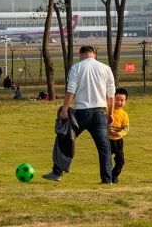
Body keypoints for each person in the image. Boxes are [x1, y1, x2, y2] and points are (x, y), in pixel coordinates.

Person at [43, 45, 117, 184]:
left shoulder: (76, 67)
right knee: (104, 147)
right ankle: (107, 179)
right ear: (94, 54)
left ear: (81, 54)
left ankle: (57, 172)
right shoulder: (106, 68)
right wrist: (111, 113)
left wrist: (65, 109)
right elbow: (111, 93)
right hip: (100, 112)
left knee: (65, 139)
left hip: (81, 113)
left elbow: (71, 90)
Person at [108, 87, 130, 183]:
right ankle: (107, 177)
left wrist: (120, 133)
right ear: (112, 99)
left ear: (125, 102)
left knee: (120, 161)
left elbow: (126, 128)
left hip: (118, 141)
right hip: (107, 140)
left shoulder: (124, 115)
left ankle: (114, 175)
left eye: (122, 100)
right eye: (117, 99)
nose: (119, 102)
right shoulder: (107, 110)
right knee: (106, 159)